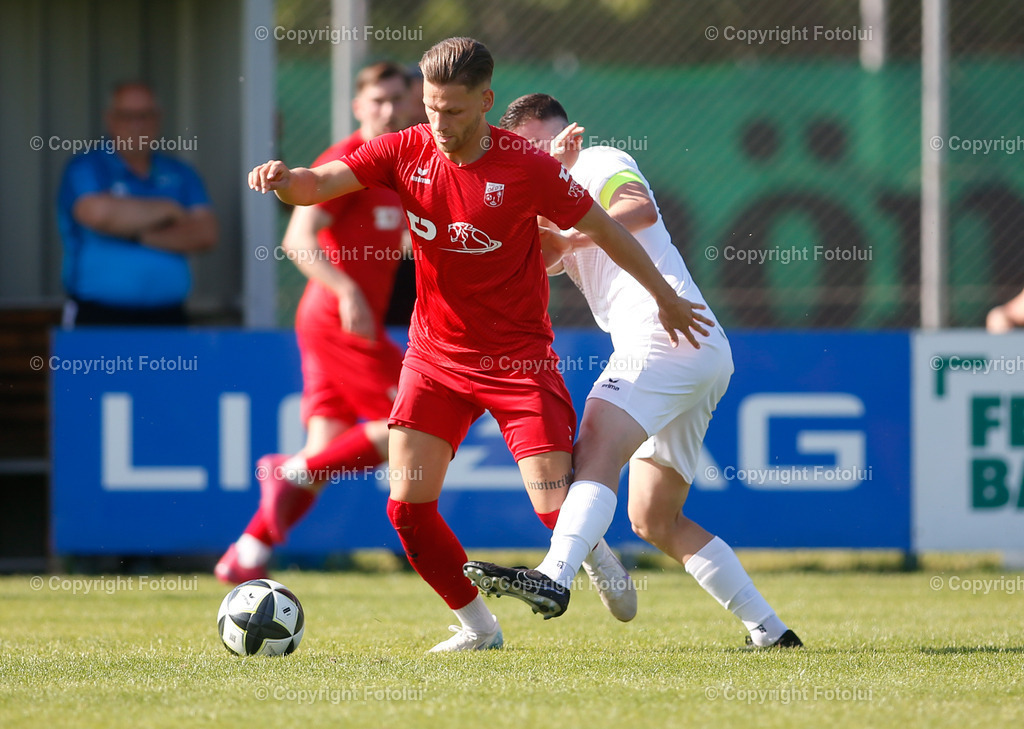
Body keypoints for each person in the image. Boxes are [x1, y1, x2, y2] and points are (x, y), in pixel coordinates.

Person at [248, 37, 709, 652]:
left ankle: (591, 551)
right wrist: (283, 180)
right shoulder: (404, 149)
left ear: (486, 102)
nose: (440, 123)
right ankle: (479, 628)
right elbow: (318, 184)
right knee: (407, 511)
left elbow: (603, 228)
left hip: (519, 362)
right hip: (435, 360)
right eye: (432, 107)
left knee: (552, 508)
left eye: (456, 111)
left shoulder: (528, 166)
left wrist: (664, 296)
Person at [465, 94, 802, 649]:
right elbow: (535, 256)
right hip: (696, 347)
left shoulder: (596, 161)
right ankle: (769, 630)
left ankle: (553, 575)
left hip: (665, 335)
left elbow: (640, 209)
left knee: (595, 438)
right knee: (656, 520)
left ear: (553, 134)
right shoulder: (547, 195)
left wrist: (567, 226)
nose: (526, 157)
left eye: (529, 145)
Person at [216, 61, 414, 583]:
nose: (389, 110)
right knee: (412, 421)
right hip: (338, 319)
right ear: (358, 106)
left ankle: (247, 553)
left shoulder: (399, 166)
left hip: (343, 322)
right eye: (378, 100)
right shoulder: (347, 160)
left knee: (324, 447)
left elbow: (401, 241)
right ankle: (290, 473)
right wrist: (347, 290)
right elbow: (297, 239)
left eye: (398, 99)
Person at [57, 81, 217, 326]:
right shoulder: (87, 167)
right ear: (110, 119)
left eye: (145, 115)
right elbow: (98, 215)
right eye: (127, 116)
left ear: (158, 119)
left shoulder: (180, 172)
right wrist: (168, 210)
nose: (137, 124)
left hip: (169, 316)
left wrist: (132, 233)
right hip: (98, 316)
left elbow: (204, 233)